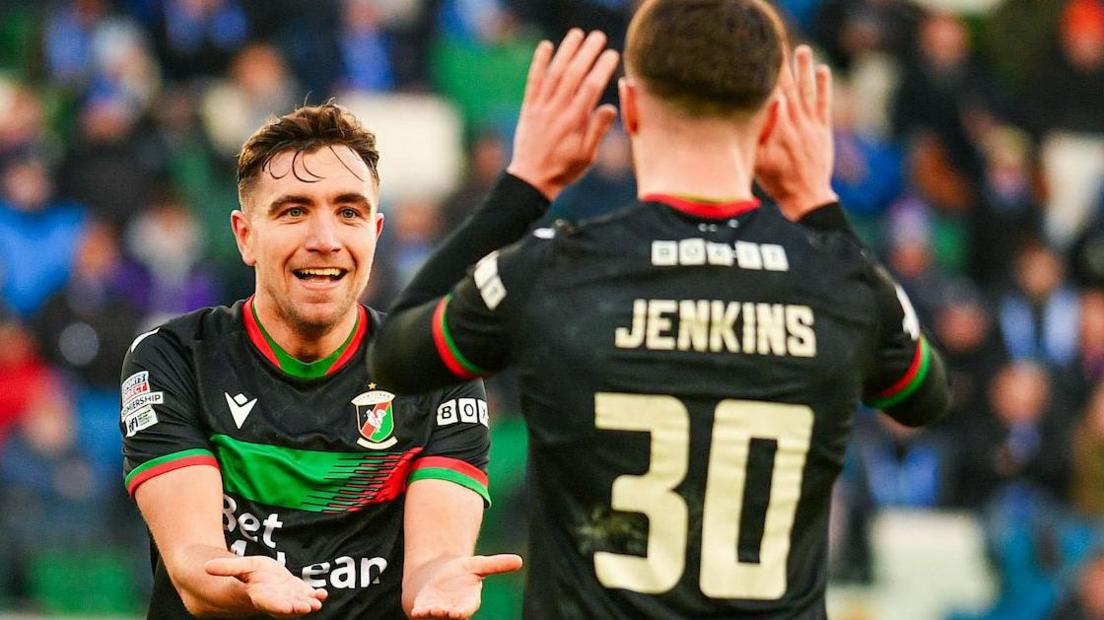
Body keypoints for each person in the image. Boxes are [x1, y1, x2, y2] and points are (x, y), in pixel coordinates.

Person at [368, 1, 951, 617]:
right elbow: (925, 396)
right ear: (774, 116)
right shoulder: (841, 281)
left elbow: (392, 355)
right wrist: (818, 204)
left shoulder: (552, 270)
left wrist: (524, 186)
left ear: (633, 106)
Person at [117, 43, 619, 615]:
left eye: (349, 211)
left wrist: (437, 583)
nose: (326, 238)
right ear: (244, 235)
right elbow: (194, 567)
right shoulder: (173, 358)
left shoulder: (434, 373)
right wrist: (244, 584)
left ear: (377, 232)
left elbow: (431, 562)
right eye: (293, 210)